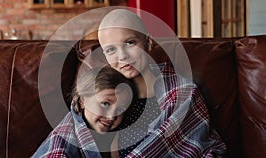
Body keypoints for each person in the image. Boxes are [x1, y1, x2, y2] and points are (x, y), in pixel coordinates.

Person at [96, 9, 227, 157]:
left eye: (130, 42)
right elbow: (75, 131)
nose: (122, 56)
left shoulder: (181, 91)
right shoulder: (103, 91)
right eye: (111, 50)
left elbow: (191, 140)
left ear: (149, 42)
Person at [32, 66, 136, 158]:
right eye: (105, 104)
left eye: (120, 109)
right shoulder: (62, 148)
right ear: (82, 100)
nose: (111, 116)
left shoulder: (105, 135)